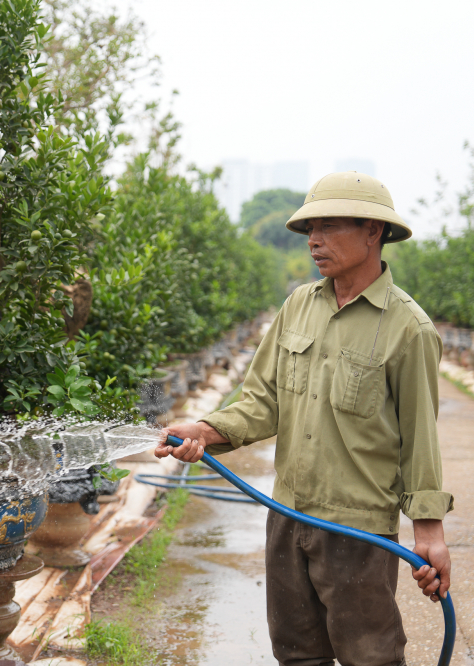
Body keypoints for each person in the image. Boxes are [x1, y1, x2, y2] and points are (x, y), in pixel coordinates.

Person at [156, 171, 453, 666]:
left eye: (329, 227)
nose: (313, 240)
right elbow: (263, 400)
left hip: (358, 534)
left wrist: (430, 534)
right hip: (289, 520)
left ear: (373, 231)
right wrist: (203, 431)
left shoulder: (408, 328)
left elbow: (420, 440)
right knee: (296, 656)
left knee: (370, 658)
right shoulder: (298, 306)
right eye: (310, 229)